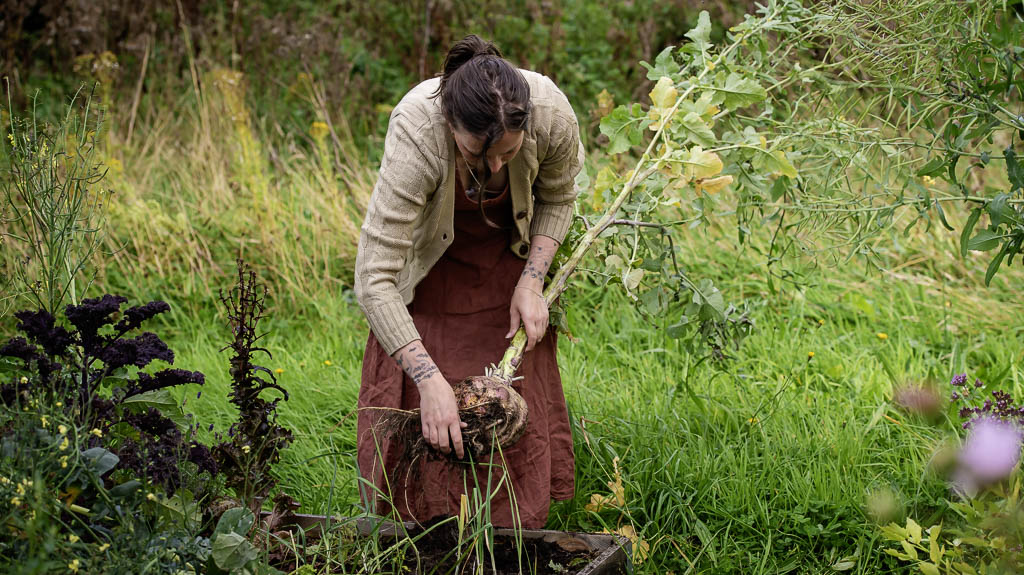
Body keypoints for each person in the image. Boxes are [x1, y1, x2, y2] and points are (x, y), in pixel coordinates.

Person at [354, 34, 584, 529]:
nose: (496, 167)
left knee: (509, 423)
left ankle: (511, 535)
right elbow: (374, 277)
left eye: (509, 153)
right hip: (431, 282)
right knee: (432, 421)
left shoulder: (550, 112)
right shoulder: (417, 130)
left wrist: (532, 281)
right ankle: (419, 537)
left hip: (507, 272)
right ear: (451, 126)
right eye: (478, 156)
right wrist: (429, 378)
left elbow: (560, 198)